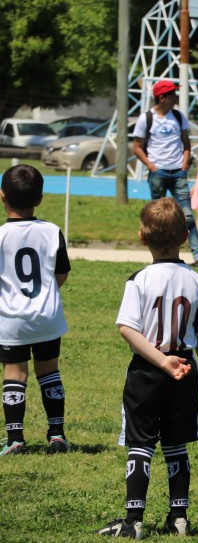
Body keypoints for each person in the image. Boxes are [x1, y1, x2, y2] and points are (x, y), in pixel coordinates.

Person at [98, 198, 198, 538]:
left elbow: (126, 328)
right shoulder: (196, 280)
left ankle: (134, 521)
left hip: (148, 371)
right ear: (185, 236)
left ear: (141, 237)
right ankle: (178, 518)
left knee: (141, 444)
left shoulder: (139, 280)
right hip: (185, 369)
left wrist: (159, 360)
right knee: (175, 445)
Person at [0, 164, 70, 456]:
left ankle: (15, 438)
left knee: (15, 373)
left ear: (2, 196)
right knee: (49, 371)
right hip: (47, 317)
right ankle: (57, 434)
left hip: (11, 319)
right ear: (40, 199)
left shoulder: (1, 235)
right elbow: (62, 273)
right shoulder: (52, 231)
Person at [132, 79, 198, 267]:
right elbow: (137, 147)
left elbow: (186, 144)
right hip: (158, 173)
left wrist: (184, 164)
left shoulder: (179, 117)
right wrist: (152, 166)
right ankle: (159, 255)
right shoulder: (145, 118)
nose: (175, 97)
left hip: (178, 173)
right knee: (157, 217)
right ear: (162, 97)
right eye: (172, 94)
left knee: (187, 216)